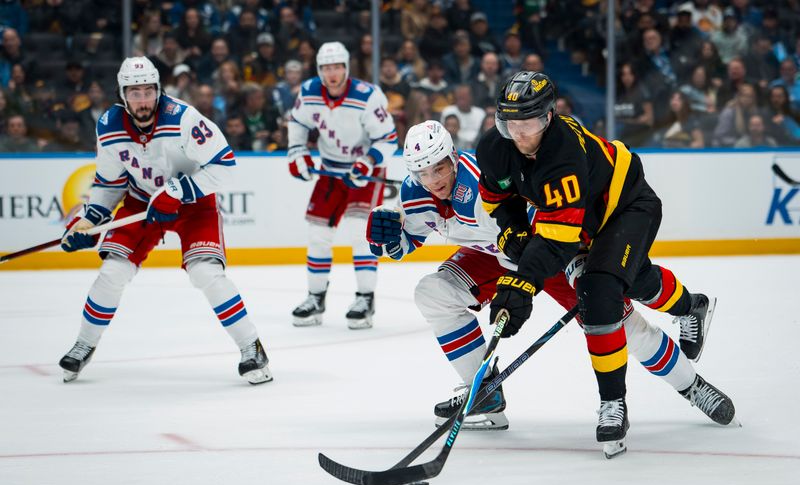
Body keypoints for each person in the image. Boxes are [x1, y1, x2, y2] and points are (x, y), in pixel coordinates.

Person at [367, 120, 736, 433]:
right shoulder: (414, 193)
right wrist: (383, 239)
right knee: (433, 293)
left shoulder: (479, 184)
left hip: (545, 252)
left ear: (452, 157)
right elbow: (406, 242)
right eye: (423, 172)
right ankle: (484, 394)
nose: (433, 180)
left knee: (616, 323)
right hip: (494, 257)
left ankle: (691, 386)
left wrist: (568, 270)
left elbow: (549, 231)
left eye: (440, 168)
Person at [476, 71, 720, 456]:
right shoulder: (493, 148)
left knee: (601, 289)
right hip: (575, 214)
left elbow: (558, 241)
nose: (520, 135)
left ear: (550, 116)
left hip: (626, 206)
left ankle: (613, 403)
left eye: (531, 123)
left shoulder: (563, 153)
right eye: (511, 124)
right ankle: (693, 306)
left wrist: (523, 282)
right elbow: (497, 200)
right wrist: (515, 233)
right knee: (635, 279)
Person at [57, 57, 272, 385]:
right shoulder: (109, 125)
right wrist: (89, 220)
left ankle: (251, 347)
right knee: (113, 271)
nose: (142, 100)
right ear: (122, 94)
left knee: (205, 273)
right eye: (134, 92)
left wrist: (177, 191)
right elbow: (110, 183)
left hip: (194, 203)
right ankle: (84, 344)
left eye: (148, 91)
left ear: (158, 91)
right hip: (142, 202)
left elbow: (225, 164)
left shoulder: (184, 119)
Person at [287, 42, 398, 329]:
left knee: (360, 231)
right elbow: (297, 123)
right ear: (319, 70)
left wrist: (367, 163)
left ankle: (365, 298)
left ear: (346, 68)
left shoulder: (367, 96)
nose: (332, 73)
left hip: (363, 171)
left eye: (337, 67)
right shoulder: (309, 92)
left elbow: (388, 140)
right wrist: (297, 152)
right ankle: (315, 297)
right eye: (326, 67)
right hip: (330, 168)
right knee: (318, 233)